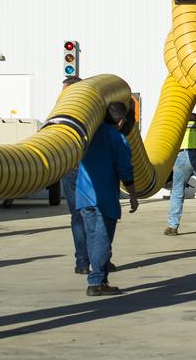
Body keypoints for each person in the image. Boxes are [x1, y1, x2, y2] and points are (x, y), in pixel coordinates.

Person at [75, 100, 138, 296]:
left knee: (93, 239)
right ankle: (96, 282)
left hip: (84, 196)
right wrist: (133, 196)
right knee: (103, 240)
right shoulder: (119, 140)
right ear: (121, 122)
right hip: (105, 199)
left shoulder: (89, 134)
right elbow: (125, 170)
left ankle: (99, 279)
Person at [56, 76, 93, 275]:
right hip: (83, 167)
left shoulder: (60, 111)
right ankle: (95, 259)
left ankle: (83, 262)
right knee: (92, 215)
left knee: (79, 216)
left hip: (74, 167)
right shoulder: (89, 108)